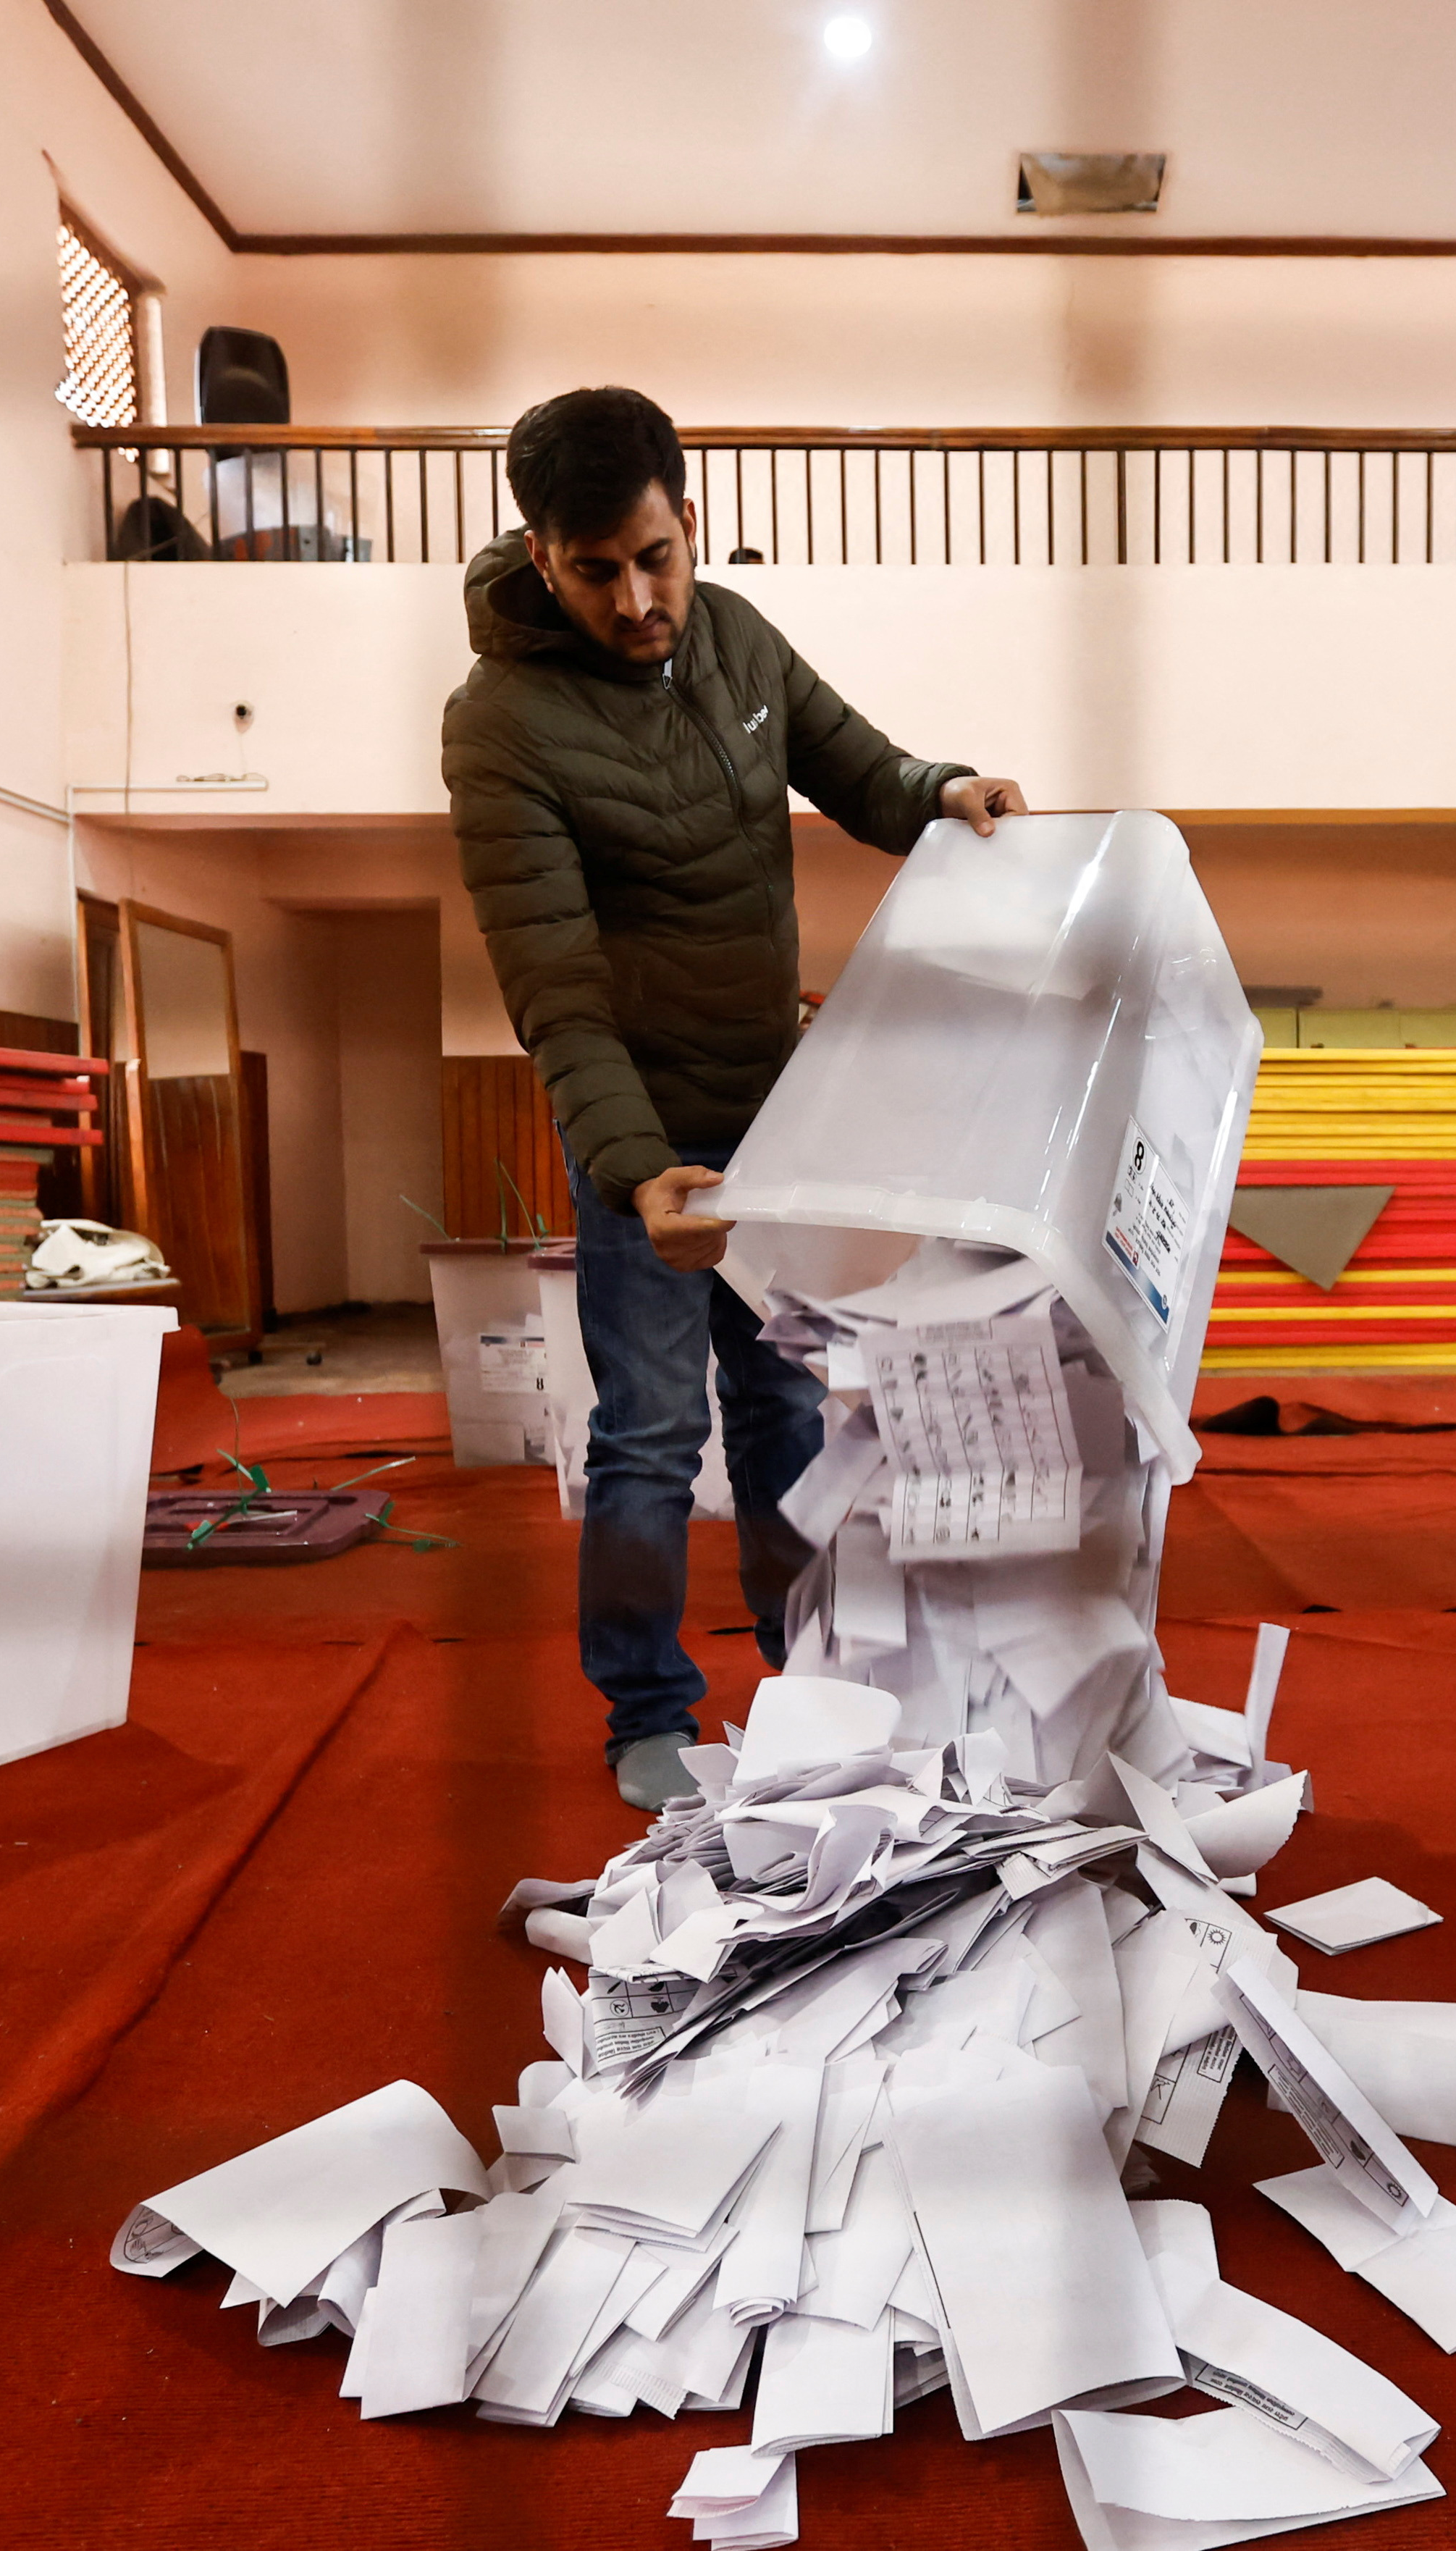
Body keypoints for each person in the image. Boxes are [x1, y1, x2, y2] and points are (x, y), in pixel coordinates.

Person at [444, 387, 1028, 1810]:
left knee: (779, 1409)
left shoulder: (739, 640)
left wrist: (944, 789)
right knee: (648, 1434)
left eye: (656, 556)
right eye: (596, 571)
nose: (639, 599)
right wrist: (638, 1165)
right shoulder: (501, 723)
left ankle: (804, 1667)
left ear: (689, 523)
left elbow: (861, 769)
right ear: (541, 557)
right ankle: (647, 1708)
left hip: (780, 1121)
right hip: (643, 1139)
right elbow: (556, 984)